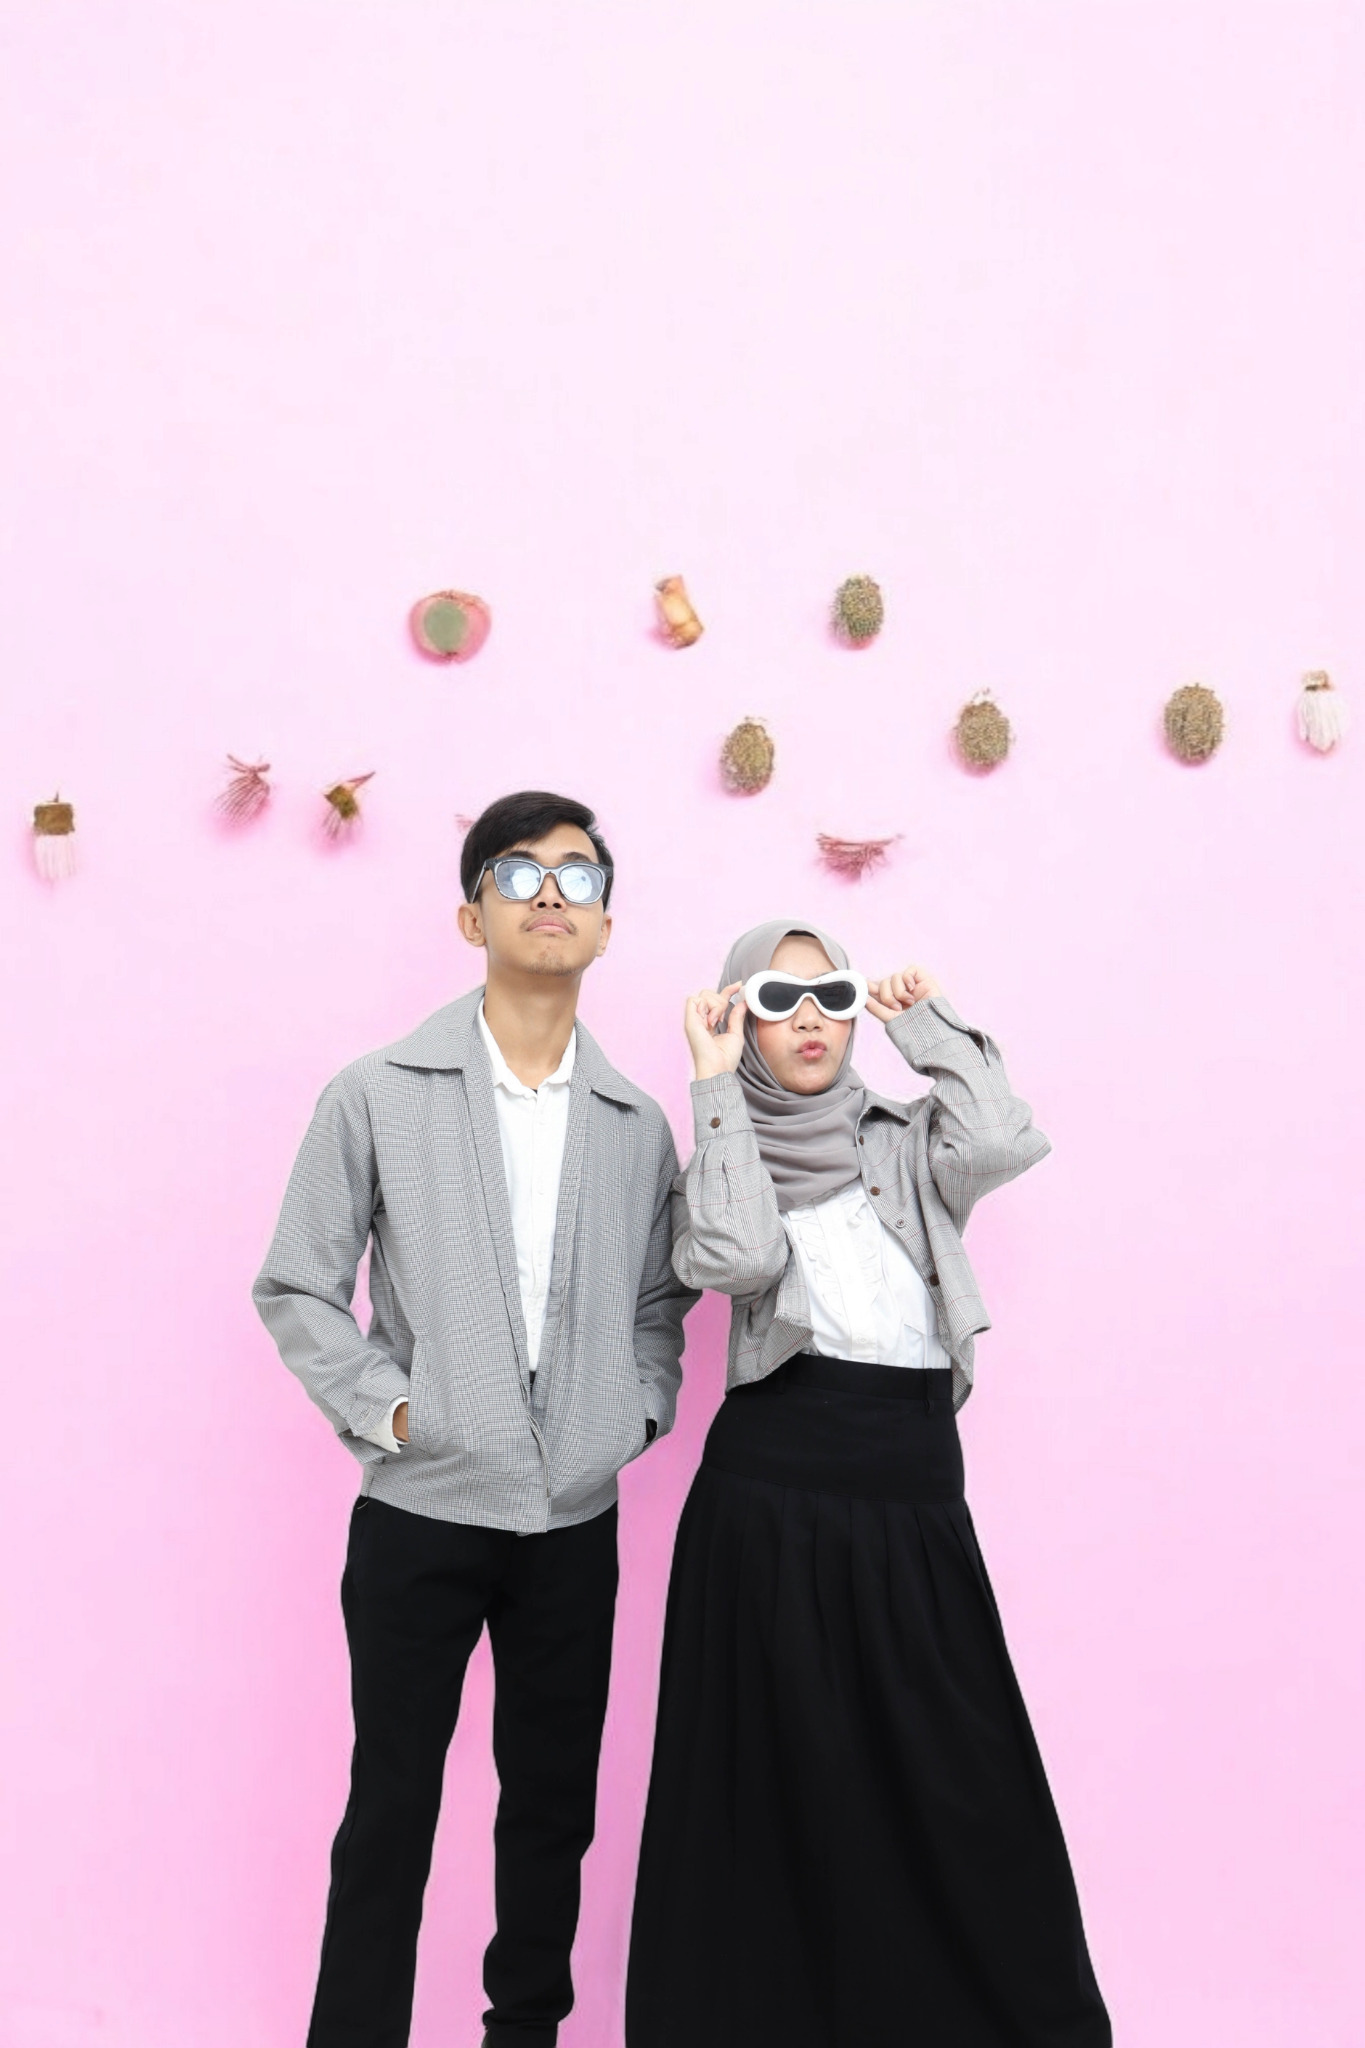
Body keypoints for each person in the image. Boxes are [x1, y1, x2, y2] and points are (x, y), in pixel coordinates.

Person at [253, 791, 697, 2048]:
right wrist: (389, 1409)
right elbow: (296, 1282)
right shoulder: (376, 1092)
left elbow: (661, 1306)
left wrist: (632, 1413)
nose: (552, 890)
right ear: (471, 913)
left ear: (605, 923)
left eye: (579, 874)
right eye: (518, 870)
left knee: (551, 1811)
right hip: (420, 1513)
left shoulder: (635, 1125)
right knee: (390, 1806)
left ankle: (526, 2034)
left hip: (574, 1524)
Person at [626, 920, 1111, 2048]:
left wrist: (923, 1024)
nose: (809, 1017)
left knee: (959, 1774)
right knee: (778, 1788)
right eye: (776, 997)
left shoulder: (909, 1138)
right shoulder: (719, 1158)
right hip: (770, 1487)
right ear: (738, 1015)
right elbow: (739, 1259)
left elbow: (1005, 1137)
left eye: (831, 996)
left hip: (911, 1482)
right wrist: (712, 1087)